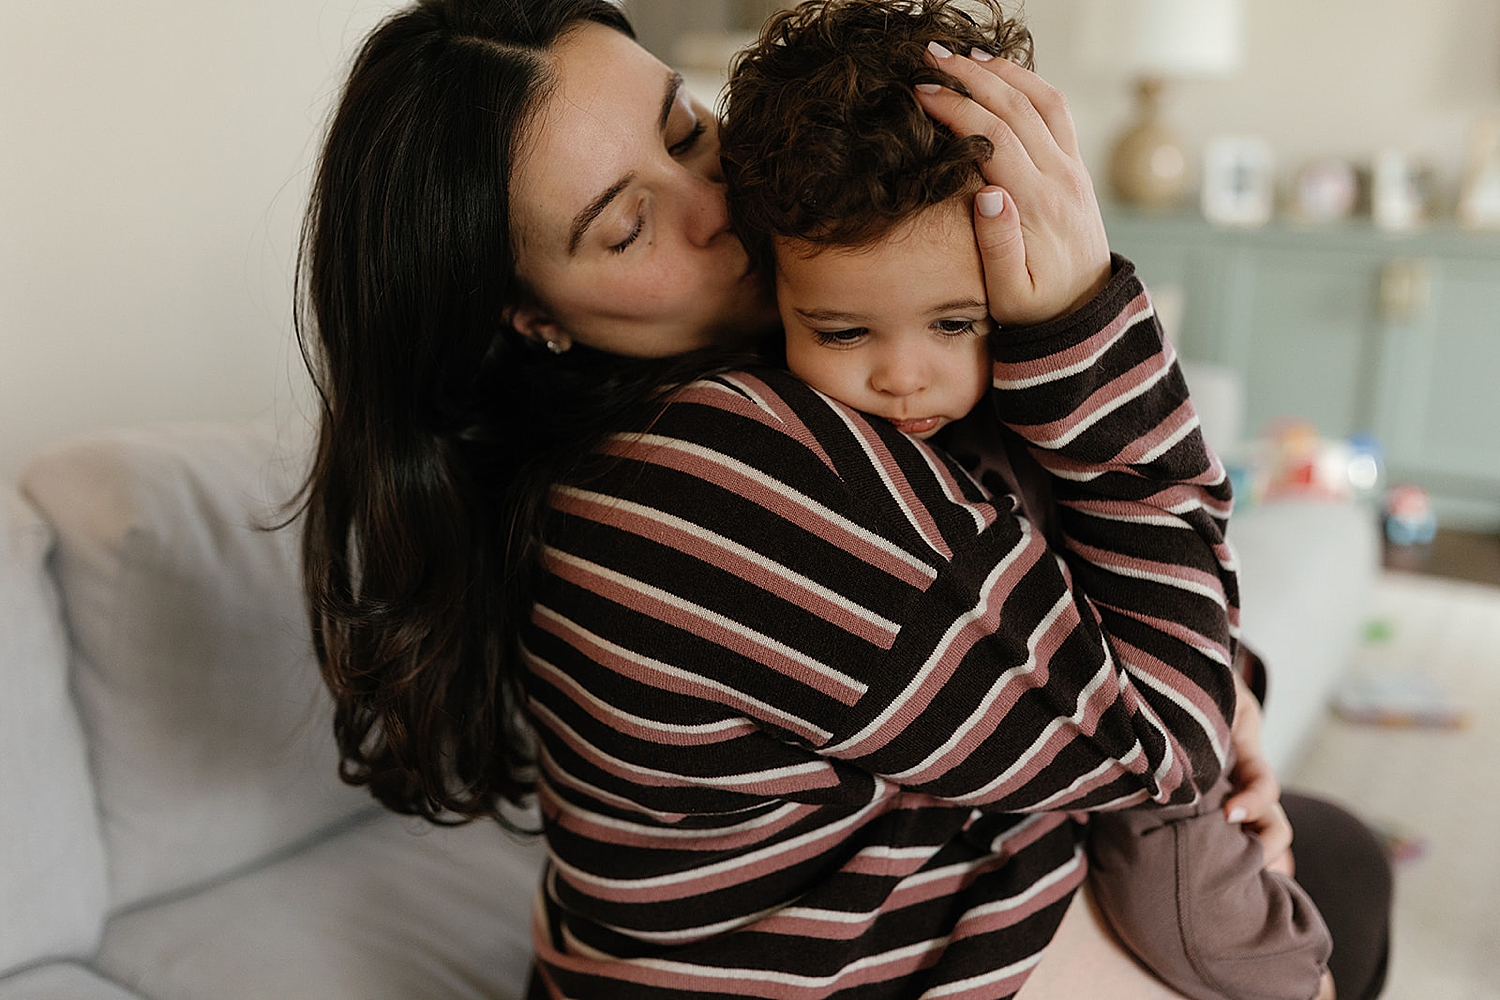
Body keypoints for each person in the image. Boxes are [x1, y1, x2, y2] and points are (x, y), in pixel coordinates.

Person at [292, 0, 1391, 997]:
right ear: (529, 317)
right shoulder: (716, 479)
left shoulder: (703, 396)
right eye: (625, 227)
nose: (718, 206)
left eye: (684, 131)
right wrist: (1082, 318)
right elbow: (1163, 740)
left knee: (1322, 847)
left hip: (707, 935)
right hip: (829, 962)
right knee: (1335, 880)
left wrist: (1220, 678)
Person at [717, 5, 1333, 998]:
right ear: (770, 301)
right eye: (841, 333)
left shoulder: (1032, 409)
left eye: (955, 321)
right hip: (1075, 772)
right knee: (1243, 930)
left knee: (1285, 868)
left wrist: (1237, 685)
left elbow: (1165, 536)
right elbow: (1154, 731)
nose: (903, 377)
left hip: (1120, 720)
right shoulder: (816, 475)